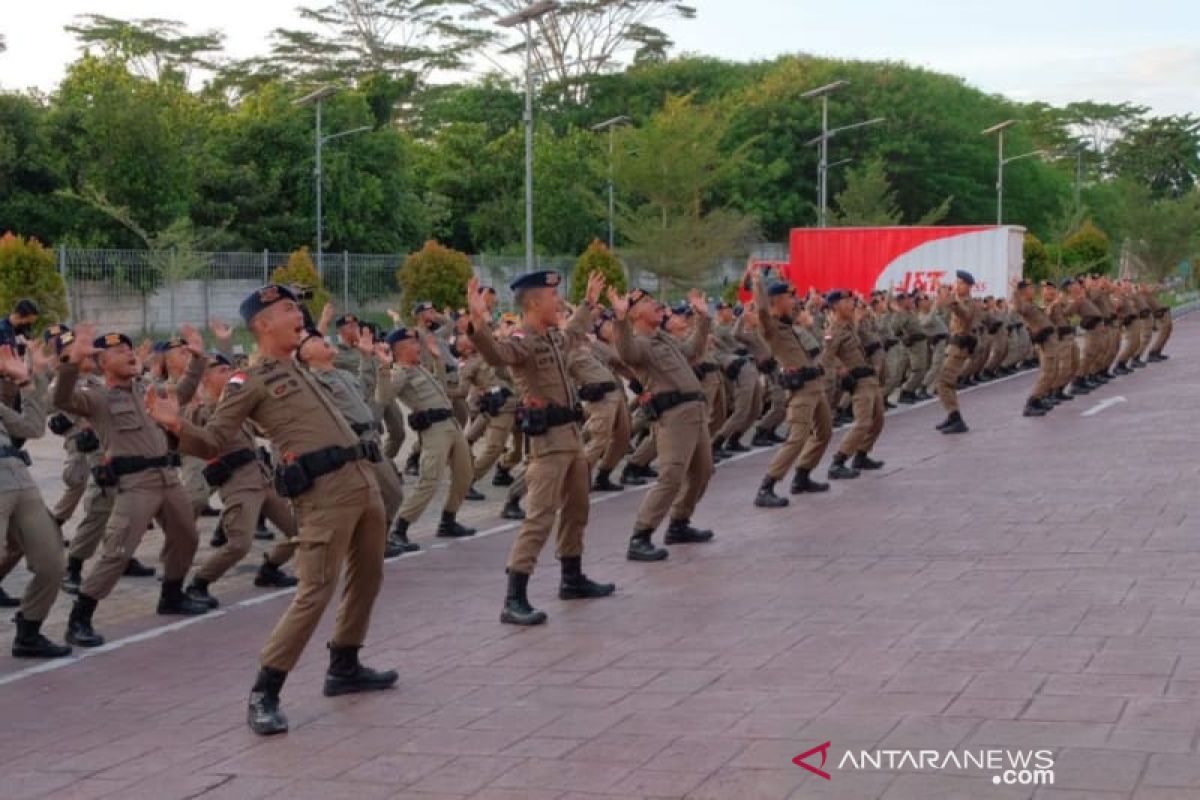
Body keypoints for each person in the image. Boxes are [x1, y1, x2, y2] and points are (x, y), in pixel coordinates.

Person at [145, 284, 397, 737]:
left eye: (296, 308)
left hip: (362, 483)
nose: (297, 314)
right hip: (324, 494)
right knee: (316, 589)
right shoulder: (250, 379)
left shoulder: (298, 367)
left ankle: (345, 662)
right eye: (286, 310)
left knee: (370, 576)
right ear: (262, 325)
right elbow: (215, 439)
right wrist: (175, 425)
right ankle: (265, 691)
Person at [466, 271, 614, 626]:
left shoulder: (552, 337)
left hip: (571, 436)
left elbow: (575, 333)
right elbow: (499, 354)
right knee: (540, 517)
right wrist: (477, 323)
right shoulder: (525, 339)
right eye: (552, 296)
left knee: (578, 509)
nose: (558, 301)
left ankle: (572, 577)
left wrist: (590, 302)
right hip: (548, 443)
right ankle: (514, 597)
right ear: (533, 302)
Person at [55, 328, 210, 650]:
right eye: (118, 351)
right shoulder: (96, 397)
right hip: (135, 483)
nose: (128, 354)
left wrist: (197, 360)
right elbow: (61, 400)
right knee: (118, 551)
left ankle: (171, 595)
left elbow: (181, 393)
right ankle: (79, 618)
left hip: (167, 475)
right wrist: (71, 362)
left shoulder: (146, 388)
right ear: (101, 363)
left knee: (188, 537)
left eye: (129, 348)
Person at [178, 349, 299, 608]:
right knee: (239, 544)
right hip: (238, 484)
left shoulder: (234, 406)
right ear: (206, 379)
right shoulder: (201, 411)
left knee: (298, 531)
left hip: (262, 479)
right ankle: (199, 583)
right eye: (222, 371)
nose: (229, 373)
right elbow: (190, 436)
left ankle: (269, 569)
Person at [609, 285, 716, 561]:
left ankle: (679, 523)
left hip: (694, 412)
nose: (657, 304)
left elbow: (692, 351)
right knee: (671, 475)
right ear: (634, 313)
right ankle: (640, 535)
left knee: (703, 471)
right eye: (647, 301)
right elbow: (627, 355)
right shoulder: (639, 344)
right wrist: (619, 320)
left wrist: (703, 319)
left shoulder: (663, 340)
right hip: (673, 417)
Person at [0, 343, 72, 658]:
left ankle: (28, 632)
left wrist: (27, 382)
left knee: (51, 563)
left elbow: (32, 427)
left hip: (20, 483)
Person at [374, 326, 475, 545]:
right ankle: (400, 528)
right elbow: (384, 396)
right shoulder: (400, 372)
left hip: (451, 424)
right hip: (434, 430)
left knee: (464, 475)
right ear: (400, 349)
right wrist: (384, 367)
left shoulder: (419, 368)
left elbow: (441, 387)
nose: (417, 346)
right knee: (429, 479)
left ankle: (448, 521)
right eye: (412, 344)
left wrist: (438, 361)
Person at [750, 275, 831, 507]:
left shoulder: (788, 325)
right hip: (801, 391)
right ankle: (766, 487)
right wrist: (757, 284)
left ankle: (802, 476)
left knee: (824, 432)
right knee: (797, 437)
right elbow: (763, 311)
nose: (794, 301)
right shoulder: (771, 327)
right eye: (789, 297)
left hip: (814, 387)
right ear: (776, 301)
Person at [822, 290, 885, 476]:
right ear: (835, 306)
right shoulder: (834, 330)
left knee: (878, 420)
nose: (851, 304)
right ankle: (838, 461)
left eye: (851, 300)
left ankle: (861, 455)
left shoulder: (850, 326)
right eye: (846, 301)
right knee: (863, 422)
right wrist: (841, 369)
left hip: (869, 378)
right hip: (858, 381)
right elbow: (827, 358)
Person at [933, 271, 978, 434]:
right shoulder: (960, 301)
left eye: (960, 283)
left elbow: (963, 314)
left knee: (943, 382)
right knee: (947, 382)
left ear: (968, 286)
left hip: (959, 349)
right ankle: (953, 415)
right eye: (956, 282)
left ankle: (956, 417)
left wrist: (951, 299)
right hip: (954, 347)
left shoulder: (968, 303)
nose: (957, 285)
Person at [1011, 280, 1057, 417]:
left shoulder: (1032, 305)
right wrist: (1015, 292)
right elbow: (1018, 308)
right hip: (1045, 341)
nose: (1033, 290)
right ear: (1024, 291)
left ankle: (1040, 399)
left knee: (1050, 372)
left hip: (1050, 339)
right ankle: (1032, 403)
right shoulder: (1024, 305)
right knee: (1047, 373)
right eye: (1030, 288)